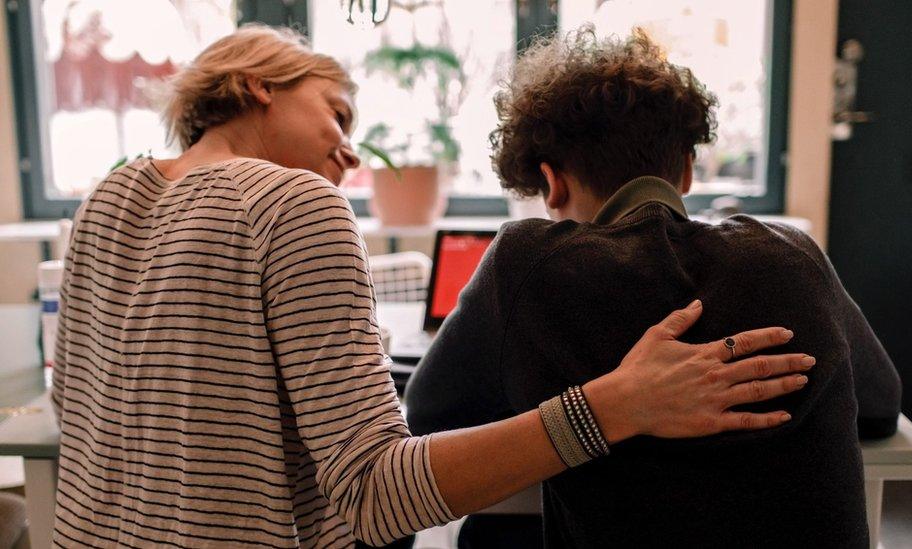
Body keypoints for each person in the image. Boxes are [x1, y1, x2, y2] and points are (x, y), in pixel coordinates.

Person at [50, 25, 814, 548]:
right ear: (257, 85)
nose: (350, 155)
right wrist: (617, 404)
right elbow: (376, 495)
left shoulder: (105, 199)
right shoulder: (295, 202)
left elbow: (80, 411)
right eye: (337, 114)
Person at [405, 27, 902, 548]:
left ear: (551, 185)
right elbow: (878, 404)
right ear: (686, 171)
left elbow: (431, 416)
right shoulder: (789, 253)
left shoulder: (529, 265)